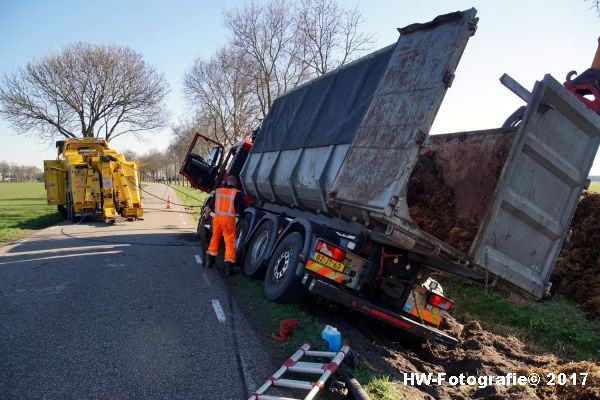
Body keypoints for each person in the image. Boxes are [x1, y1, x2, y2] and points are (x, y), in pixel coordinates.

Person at [204, 175, 245, 275]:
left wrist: (206, 217)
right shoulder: (238, 194)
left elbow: (210, 207)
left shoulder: (218, 192)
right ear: (235, 183)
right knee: (229, 242)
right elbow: (240, 212)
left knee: (215, 238)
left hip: (217, 219)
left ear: (226, 182)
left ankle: (210, 261)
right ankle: (228, 268)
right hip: (228, 221)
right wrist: (242, 218)